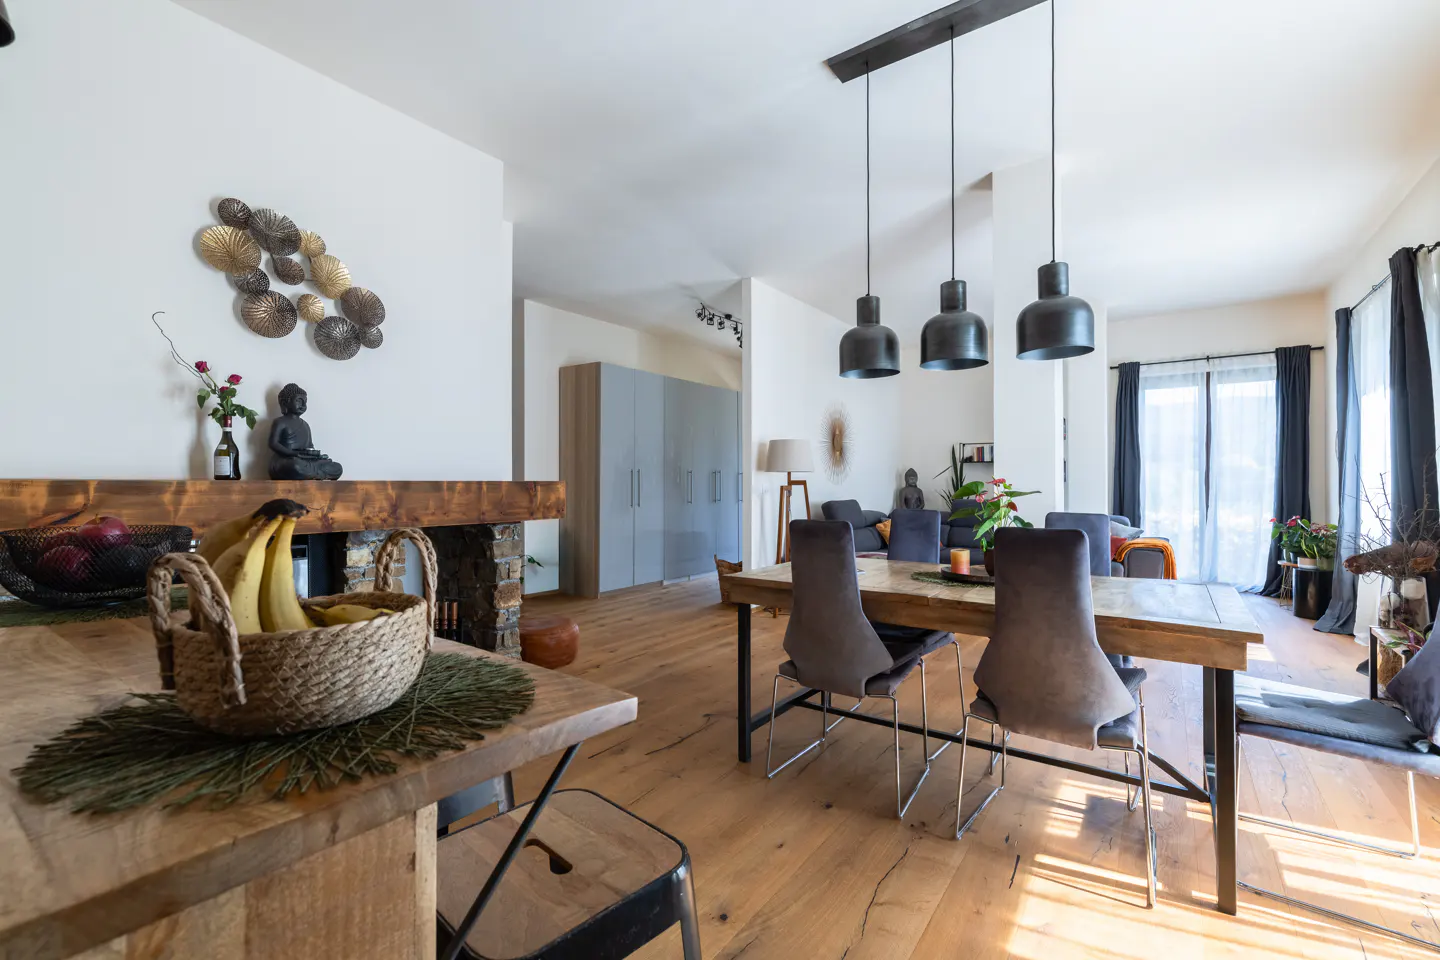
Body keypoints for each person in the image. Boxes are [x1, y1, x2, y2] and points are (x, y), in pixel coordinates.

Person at [267, 383, 343, 480]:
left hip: (304, 460)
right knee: (295, 466)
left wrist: (316, 456)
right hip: (286, 459)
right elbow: (273, 444)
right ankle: (316, 474)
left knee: (337, 467)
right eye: (299, 401)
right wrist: (292, 453)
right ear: (285, 402)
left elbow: (309, 447)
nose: (303, 405)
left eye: (305, 402)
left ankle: (313, 474)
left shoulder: (305, 425)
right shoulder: (280, 422)